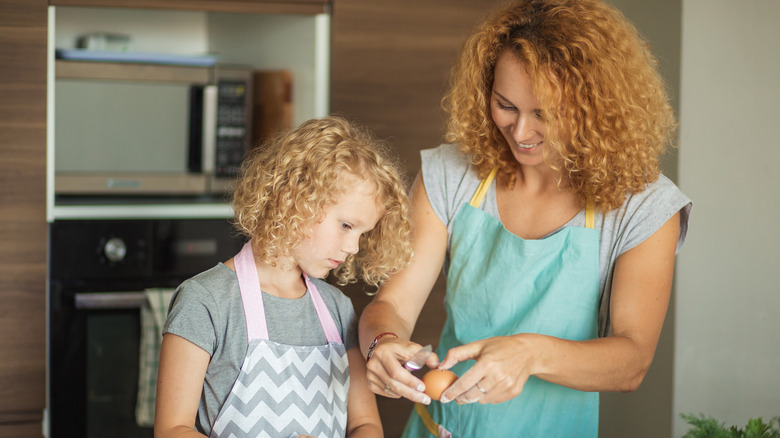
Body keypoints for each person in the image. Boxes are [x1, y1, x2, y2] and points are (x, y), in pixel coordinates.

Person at [358, 0, 693, 436]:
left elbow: (631, 363)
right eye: (506, 105)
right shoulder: (452, 173)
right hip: (445, 425)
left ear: (596, 108)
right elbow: (393, 306)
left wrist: (531, 354)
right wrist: (382, 344)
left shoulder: (644, 204)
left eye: (545, 115)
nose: (520, 132)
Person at [154, 116, 414, 438]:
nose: (353, 247)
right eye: (346, 225)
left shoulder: (337, 309)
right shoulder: (206, 302)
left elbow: (366, 425)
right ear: (295, 199)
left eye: (363, 233)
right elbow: (172, 429)